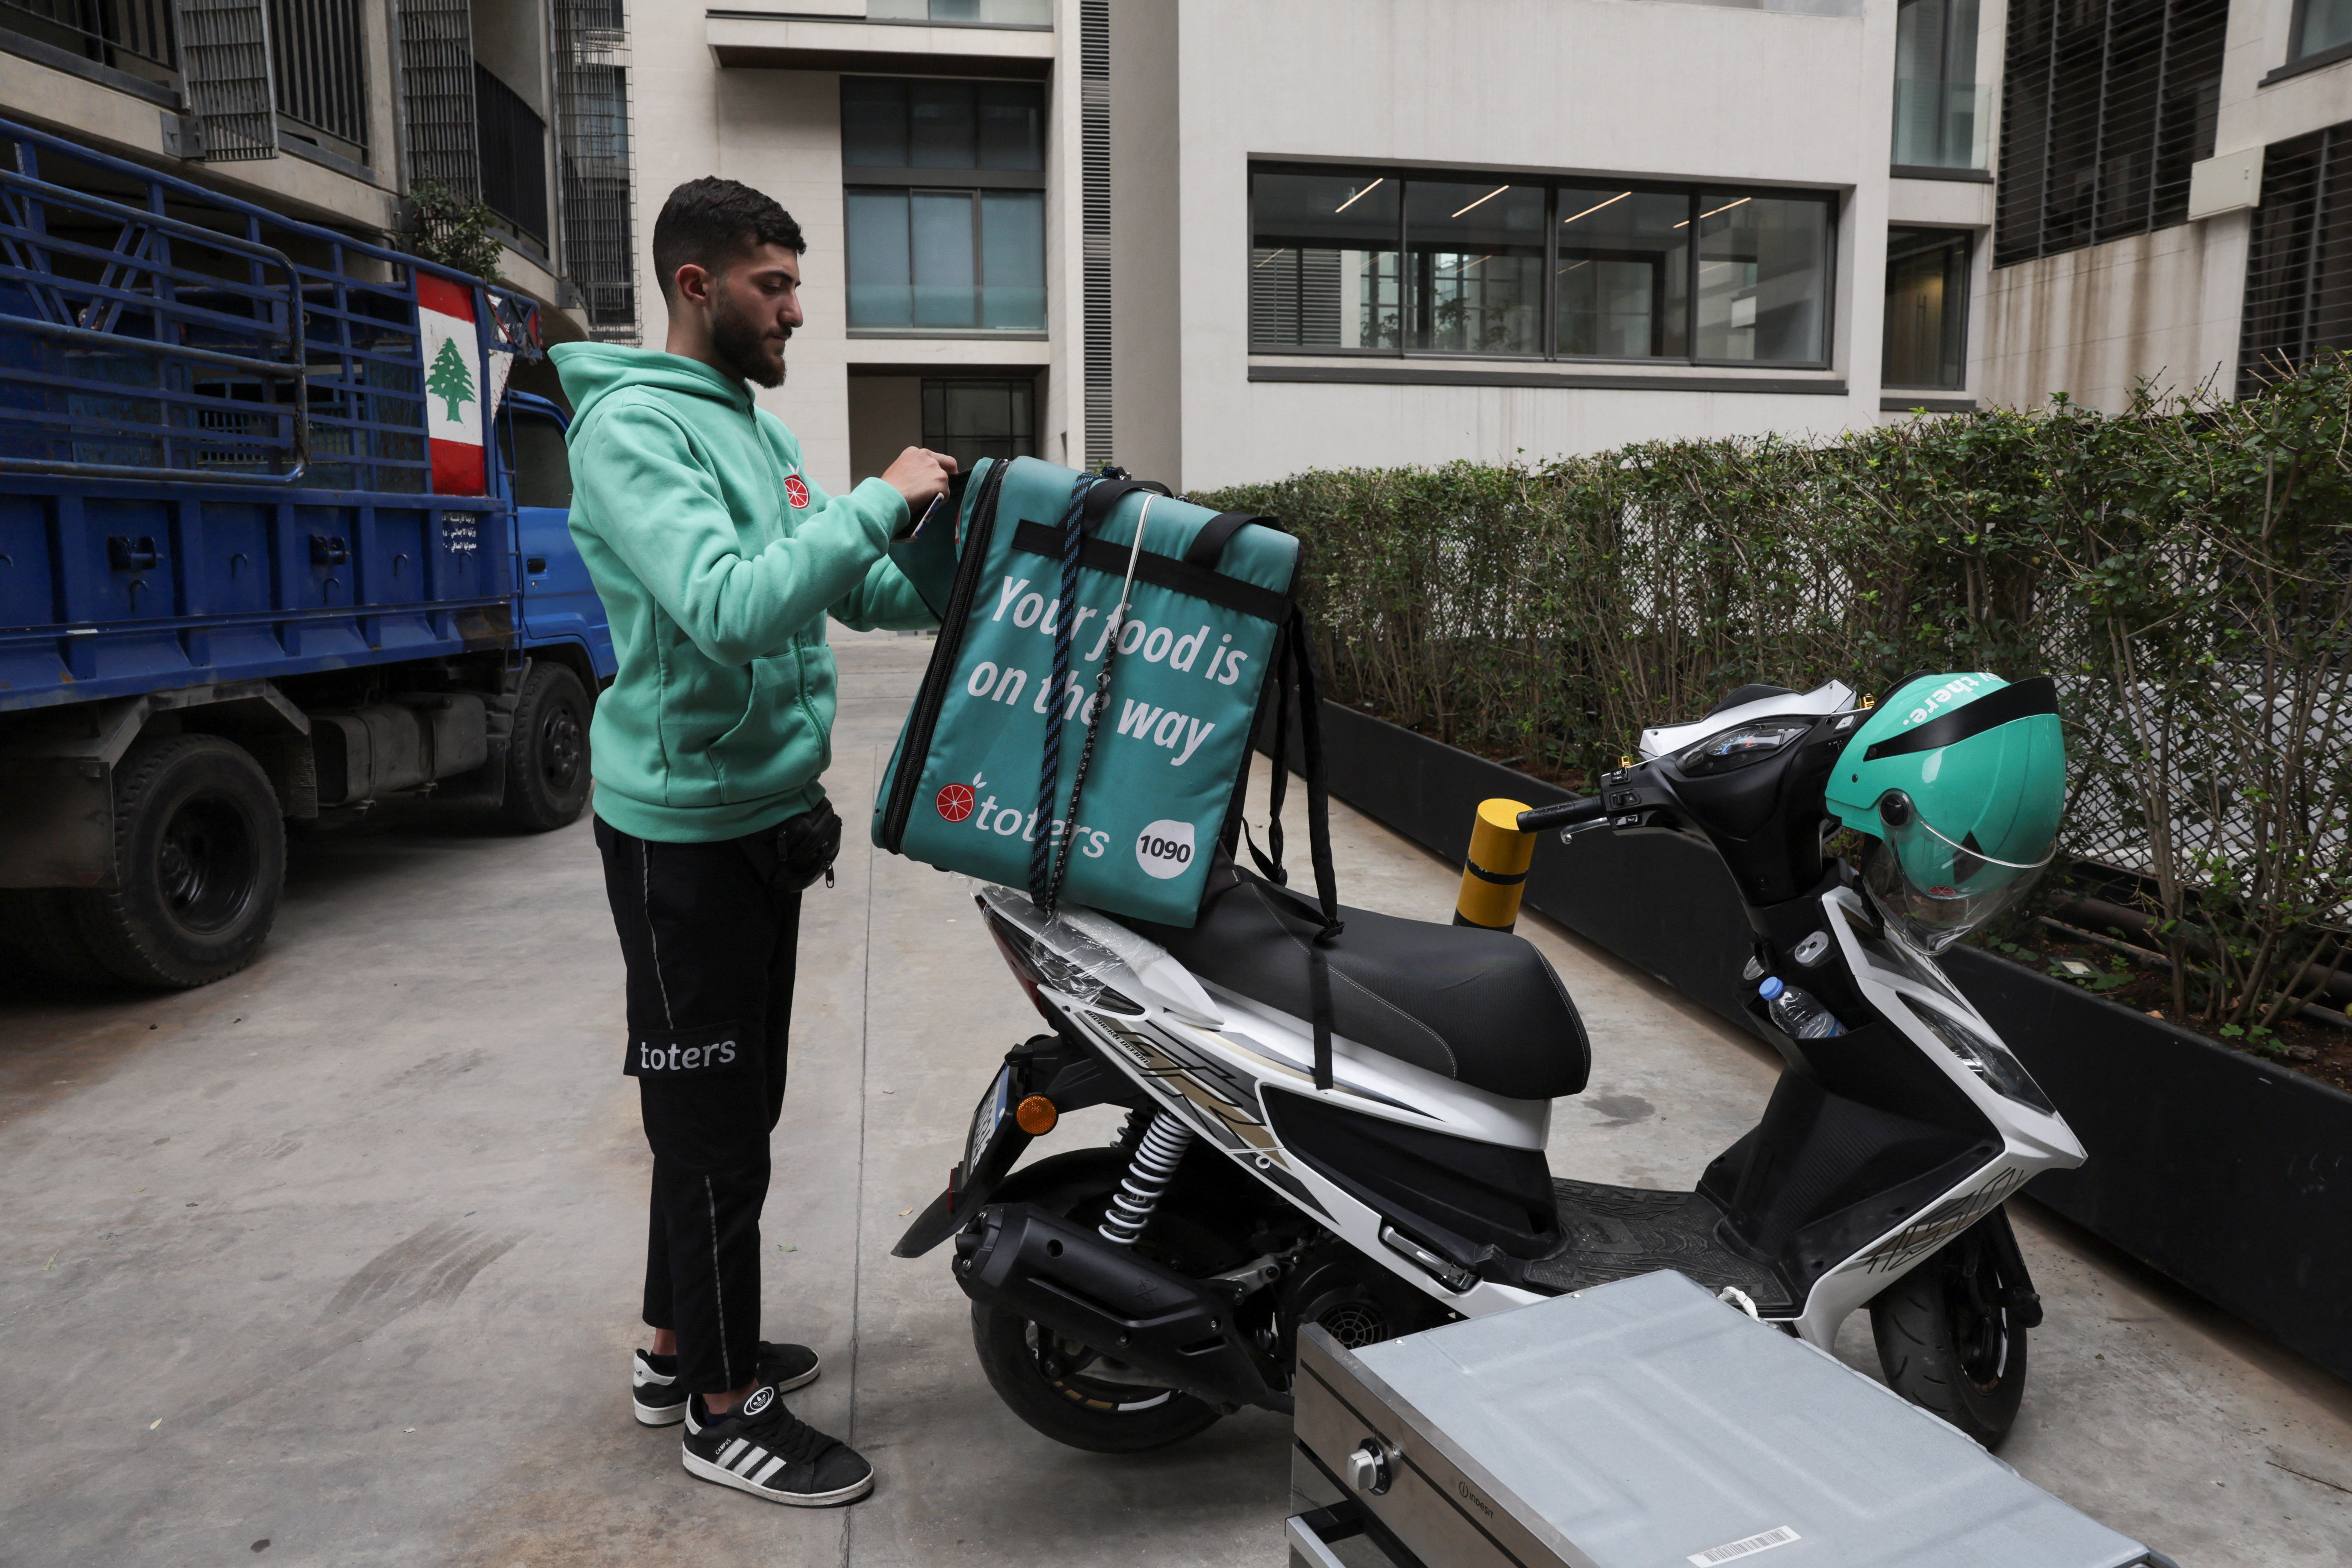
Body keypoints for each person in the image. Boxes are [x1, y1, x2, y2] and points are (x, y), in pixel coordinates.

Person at [550, 177, 954, 1509]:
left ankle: (679, 1345)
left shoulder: (750, 431)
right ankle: (724, 1409)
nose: (794, 308)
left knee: (727, 1109)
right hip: (682, 837)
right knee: (715, 1124)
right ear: (693, 286)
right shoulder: (632, 434)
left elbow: (859, 584)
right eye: (772, 286)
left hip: (762, 820)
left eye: (793, 282)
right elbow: (727, 608)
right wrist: (872, 501)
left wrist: (948, 545)